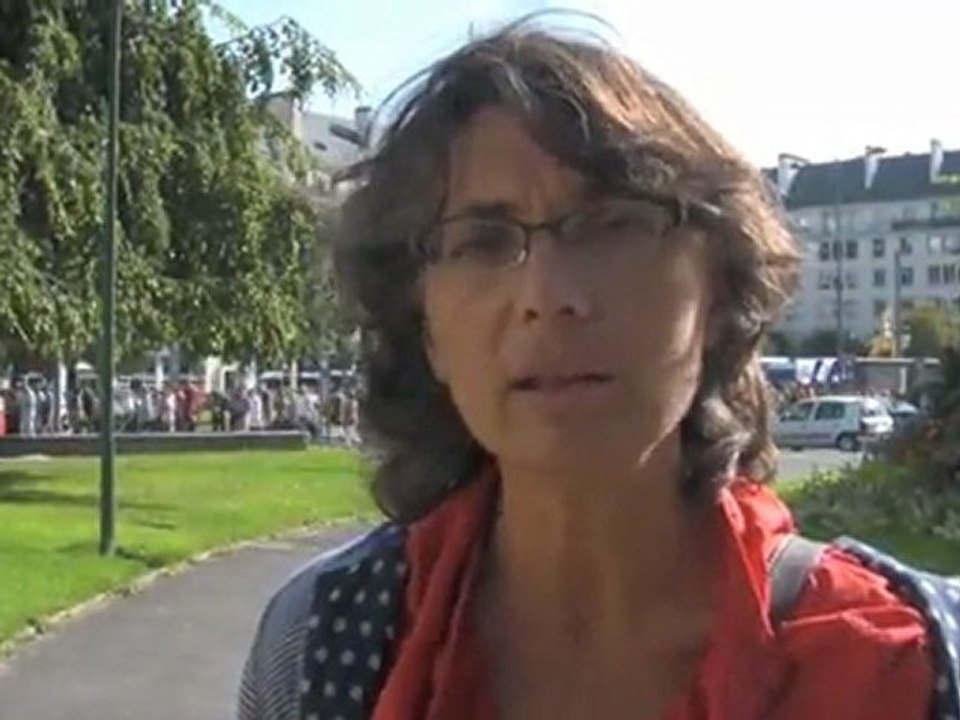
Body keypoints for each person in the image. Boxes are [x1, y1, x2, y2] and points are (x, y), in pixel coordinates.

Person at [238, 19, 959, 720]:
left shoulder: (909, 662)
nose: (549, 296)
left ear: (717, 292)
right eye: (483, 241)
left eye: (615, 224)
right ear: (425, 327)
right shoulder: (320, 645)